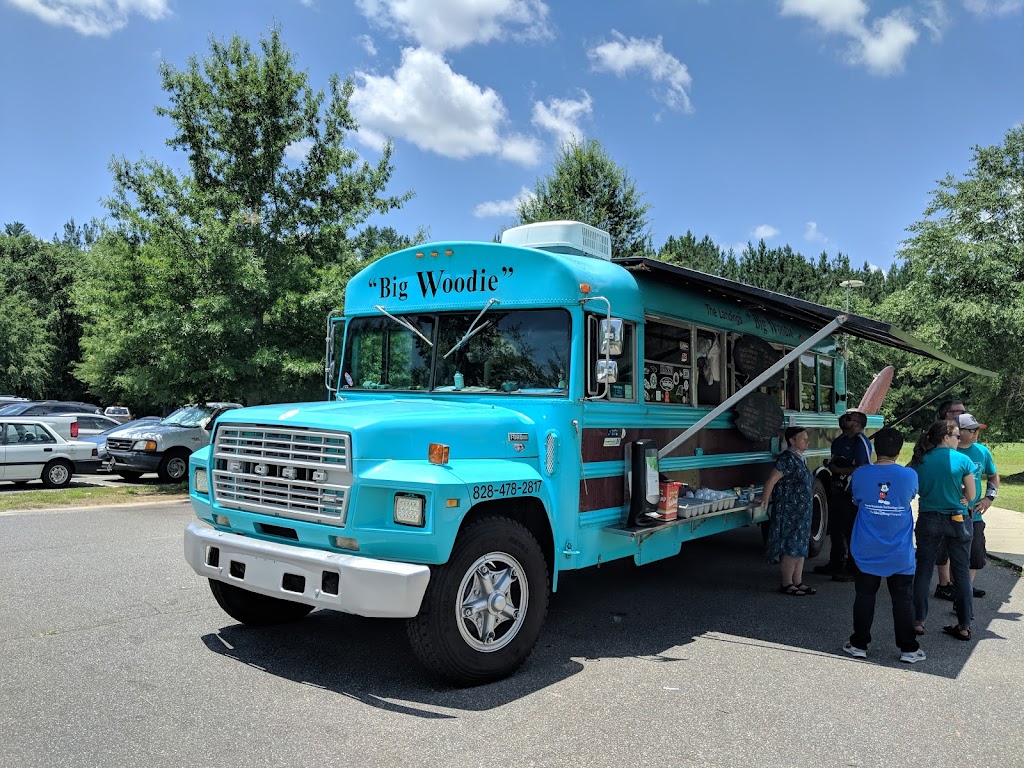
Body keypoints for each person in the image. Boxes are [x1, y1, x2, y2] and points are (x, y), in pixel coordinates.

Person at [843, 428, 924, 662]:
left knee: (865, 596)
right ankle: (908, 648)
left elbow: (856, 499)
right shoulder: (909, 475)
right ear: (899, 450)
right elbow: (909, 497)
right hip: (899, 551)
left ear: (875, 448)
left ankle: (859, 644)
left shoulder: (860, 474)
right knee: (902, 599)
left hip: (867, 548)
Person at [909, 420, 976, 641]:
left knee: (924, 569)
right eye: (957, 436)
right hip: (957, 518)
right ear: (946, 437)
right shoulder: (963, 461)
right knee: (962, 571)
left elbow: (912, 486)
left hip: (928, 517)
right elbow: (972, 496)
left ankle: (919, 621)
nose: (959, 440)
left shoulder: (920, 461)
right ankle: (964, 624)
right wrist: (962, 495)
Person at [815, 409, 873, 581]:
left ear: (857, 424)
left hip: (852, 492)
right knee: (836, 527)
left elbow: (863, 466)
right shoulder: (839, 440)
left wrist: (840, 470)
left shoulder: (860, 441)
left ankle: (853, 567)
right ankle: (836, 562)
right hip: (837, 489)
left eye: (849, 418)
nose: (844, 419)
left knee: (850, 529)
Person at [761, 426, 815, 596]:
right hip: (790, 510)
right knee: (790, 547)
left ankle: (798, 581)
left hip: (802, 510)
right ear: (792, 441)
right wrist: (765, 498)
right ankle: (787, 582)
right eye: (803, 439)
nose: (807, 442)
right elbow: (772, 480)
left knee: (800, 546)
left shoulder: (800, 458)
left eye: (807, 438)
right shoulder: (787, 459)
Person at [955, 413, 1000, 598]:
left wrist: (989, 497)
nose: (975, 434)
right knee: (954, 554)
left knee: (974, 554)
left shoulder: (982, 451)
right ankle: (954, 587)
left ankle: (966, 589)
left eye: (977, 430)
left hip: (975, 513)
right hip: (951, 511)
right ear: (959, 431)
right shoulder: (950, 451)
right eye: (971, 430)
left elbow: (993, 476)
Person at [931, 398, 968, 599]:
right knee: (943, 546)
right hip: (942, 504)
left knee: (957, 547)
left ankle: (959, 586)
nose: (963, 413)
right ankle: (945, 585)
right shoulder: (937, 437)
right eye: (959, 411)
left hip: (958, 504)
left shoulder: (965, 438)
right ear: (948, 415)